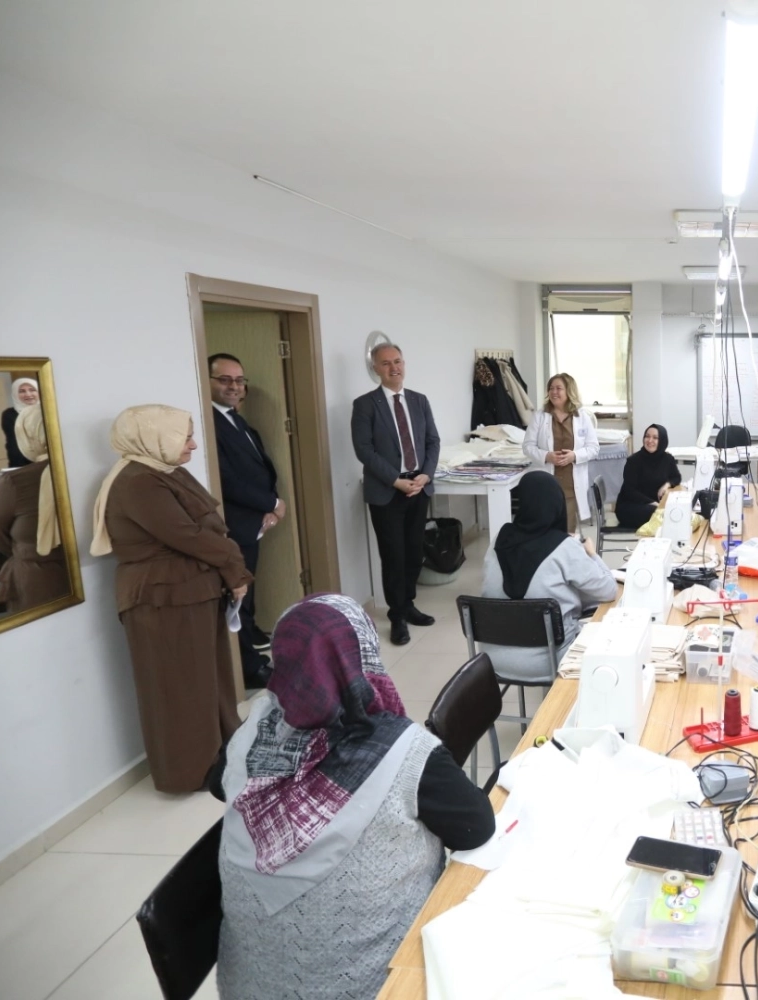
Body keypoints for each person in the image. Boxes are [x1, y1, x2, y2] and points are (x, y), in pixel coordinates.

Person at [212, 593, 494, 1000]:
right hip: (378, 987)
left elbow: (217, 783)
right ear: (362, 658)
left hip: (249, 989)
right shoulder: (403, 751)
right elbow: (477, 827)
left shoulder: (250, 734)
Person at [91, 405, 249, 793]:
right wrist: (235, 568)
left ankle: (222, 754)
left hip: (191, 591)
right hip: (164, 598)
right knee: (179, 688)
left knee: (208, 680)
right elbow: (189, 536)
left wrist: (230, 570)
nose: (193, 445)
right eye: (185, 437)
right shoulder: (138, 482)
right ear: (153, 437)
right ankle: (191, 771)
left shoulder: (162, 471)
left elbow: (208, 528)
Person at [481, 473, 617, 681]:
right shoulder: (564, 546)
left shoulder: (498, 540)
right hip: (550, 661)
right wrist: (591, 554)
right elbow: (609, 590)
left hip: (492, 661)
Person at [351, 343, 441, 647]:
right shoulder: (365, 404)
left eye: (398, 361)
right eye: (386, 363)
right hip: (387, 491)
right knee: (393, 555)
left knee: (414, 551)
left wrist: (426, 474)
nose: (394, 368)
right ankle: (397, 616)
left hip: (419, 487)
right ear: (375, 368)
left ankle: (409, 604)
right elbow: (364, 450)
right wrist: (395, 480)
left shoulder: (419, 400)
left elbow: (432, 441)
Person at [209, 353, 284, 687]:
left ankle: (251, 652)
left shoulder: (235, 420)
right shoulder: (210, 423)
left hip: (252, 523)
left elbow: (258, 469)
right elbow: (225, 479)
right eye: (225, 380)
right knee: (238, 599)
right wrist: (274, 503)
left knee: (247, 595)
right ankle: (250, 670)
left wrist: (270, 506)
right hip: (232, 527)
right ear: (207, 381)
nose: (234, 387)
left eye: (239, 380)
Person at [0, 406, 68, 613]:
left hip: (38, 578)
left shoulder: (15, 481)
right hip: (89, 573)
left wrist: (25, 550)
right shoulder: (81, 469)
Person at [522, 372, 600, 533]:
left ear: (569, 391)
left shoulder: (581, 417)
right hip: (546, 482)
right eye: (551, 388)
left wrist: (574, 456)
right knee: (545, 528)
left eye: (559, 388)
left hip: (571, 485)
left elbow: (593, 448)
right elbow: (527, 446)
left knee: (567, 530)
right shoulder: (540, 416)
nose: (554, 392)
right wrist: (546, 456)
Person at [616, 423, 682, 530]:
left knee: (675, 510)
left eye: (655, 438)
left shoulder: (668, 459)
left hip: (654, 505)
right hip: (631, 506)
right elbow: (630, 491)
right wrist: (651, 502)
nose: (650, 440)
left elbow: (676, 477)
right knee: (664, 514)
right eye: (647, 436)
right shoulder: (633, 461)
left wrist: (667, 484)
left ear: (662, 440)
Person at [0, 377, 39, 469]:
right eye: (22, 391)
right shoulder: (10, 414)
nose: (28, 394)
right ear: (15, 394)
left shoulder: (48, 411)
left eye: (32, 390)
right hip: (22, 463)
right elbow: (14, 443)